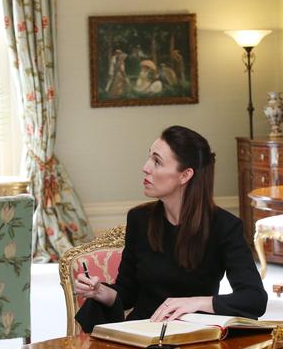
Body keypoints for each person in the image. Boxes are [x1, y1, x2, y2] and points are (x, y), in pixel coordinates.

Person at [75, 126, 267, 332]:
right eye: (149, 158)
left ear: (185, 175)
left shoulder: (225, 226)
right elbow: (126, 293)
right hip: (142, 334)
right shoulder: (139, 220)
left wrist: (196, 303)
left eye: (157, 161)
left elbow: (254, 298)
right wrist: (99, 291)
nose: (146, 167)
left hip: (194, 337)